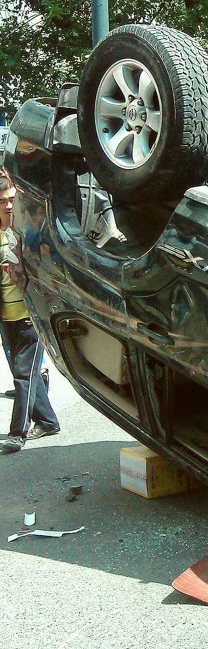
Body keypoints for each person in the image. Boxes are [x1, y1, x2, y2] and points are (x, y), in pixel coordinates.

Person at [0, 174, 60, 454]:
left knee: (23, 375)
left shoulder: (28, 233)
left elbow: (47, 269)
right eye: (2, 201)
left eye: (12, 200)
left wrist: (19, 272)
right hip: (6, 317)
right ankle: (47, 421)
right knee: (24, 373)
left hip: (31, 314)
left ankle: (17, 434)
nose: (9, 206)